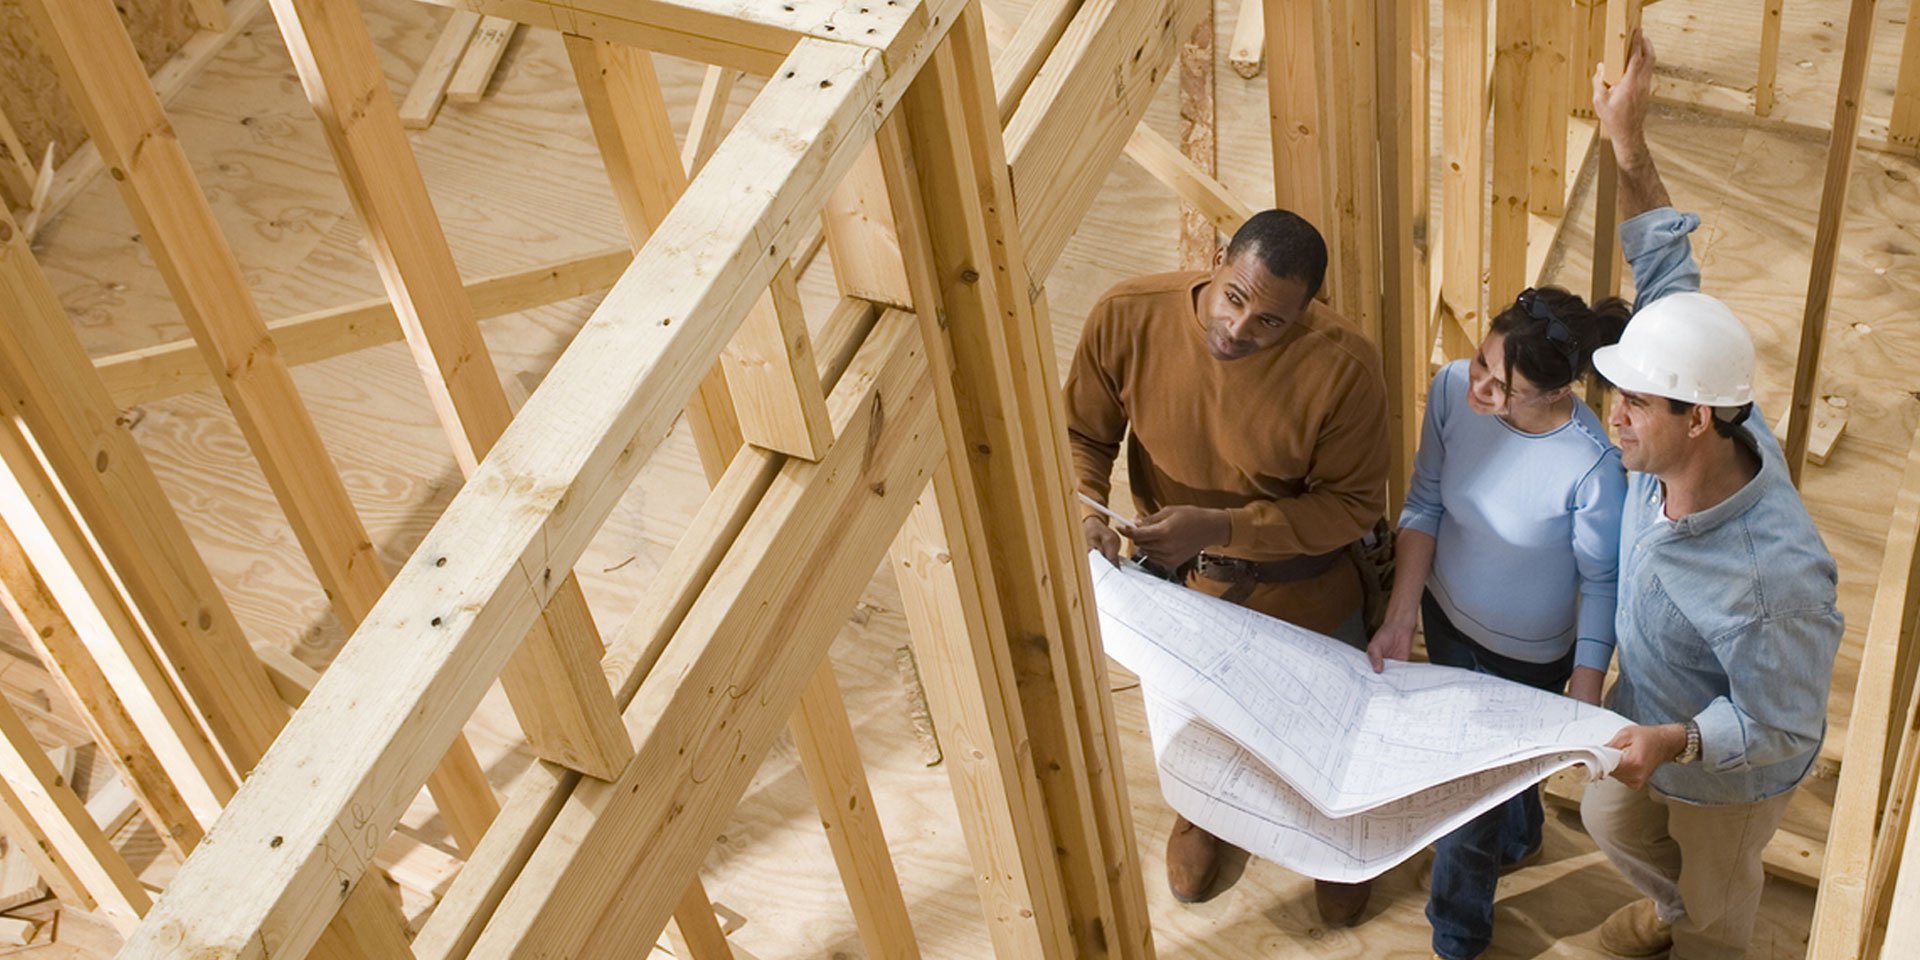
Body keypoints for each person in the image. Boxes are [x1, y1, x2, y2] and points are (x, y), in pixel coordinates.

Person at [1581, 31, 1843, 960]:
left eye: (1635, 403)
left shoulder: (1773, 582)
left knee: (1723, 908)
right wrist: (1628, 141)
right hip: (1646, 712)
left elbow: (1781, 723)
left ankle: (1699, 935)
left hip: (1728, 778)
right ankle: (1669, 912)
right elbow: (1665, 268)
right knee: (1610, 822)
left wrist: (1678, 744)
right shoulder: (1708, 406)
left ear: (1697, 421)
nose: (1614, 416)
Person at [1065, 210, 1390, 926]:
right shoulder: (1129, 315)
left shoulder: (1345, 368)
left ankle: (1331, 840)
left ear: (1306, 315)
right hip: (1178, 585)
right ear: (1217, 262)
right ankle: (1206, 814)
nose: (1240, 330)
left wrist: (1220, 526)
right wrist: (1087, 511)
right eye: (1235, 298)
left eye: (1272, 322)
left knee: (1321, 733)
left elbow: (1351, 507)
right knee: (1194, 716)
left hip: (1300, 586)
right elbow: (1082, 434)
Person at [1367, 286, 1630, 960]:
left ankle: (1456, 939)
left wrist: (1586, 685)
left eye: (1502, 385)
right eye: (1480, 361)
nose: (1479, 386)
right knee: (1490, 794)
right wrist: (1402, 619)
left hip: (1531, 657)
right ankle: (1522, 836)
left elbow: (1602, 579)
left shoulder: (1592, 465)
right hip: (1447, 621)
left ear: (1553, 391)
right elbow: (1425, 504)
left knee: (1466, 810)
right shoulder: (1454, 388)